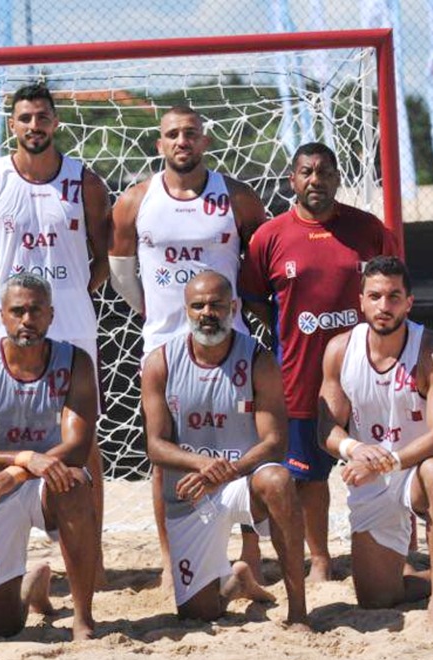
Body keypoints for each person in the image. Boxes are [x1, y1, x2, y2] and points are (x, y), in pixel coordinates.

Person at [108, 105, 269, 586]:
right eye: (173, 134)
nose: (182, 141)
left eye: (191, 133)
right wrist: (155, 315)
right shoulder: (135, 200)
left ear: (206, 141)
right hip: (166, 345)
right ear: (160, 145)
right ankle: (169, 557)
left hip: (231, 343)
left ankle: (252, 558)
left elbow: (259, 265)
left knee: (245, 448)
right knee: (167, 456)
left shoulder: (237, 197)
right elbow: (120, 273)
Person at [0, 83, 111, 576]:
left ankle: (89, 554)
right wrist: (8, 299)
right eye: (25, 118)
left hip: (70, 317)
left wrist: (71, 293)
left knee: (83, 439)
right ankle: (3, 550)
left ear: (56, 122)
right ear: (12, 125)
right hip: (9, 322)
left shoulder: (84, 181)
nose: (34, 126)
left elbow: (104, 255)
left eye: (42, 117)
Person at [239, 142, 399, 582]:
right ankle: (322, 562)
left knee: (382, 464)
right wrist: (293, 326)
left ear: (336, 178)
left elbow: (393, 289)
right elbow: (254, 299)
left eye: (325, 172)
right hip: (301, 373)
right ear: (292, 180)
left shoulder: (367, 229)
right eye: (306, 172)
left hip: (366, 374)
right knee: (307, 479)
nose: (316, 180)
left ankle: (395, 550)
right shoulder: (270, 236)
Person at [319, 256, 433, 633]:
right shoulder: (341, 350)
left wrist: (385, 461)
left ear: (409, 302)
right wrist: (353, 450)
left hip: (417, 466)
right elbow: (327, 429)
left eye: (394, 296)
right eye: (375, 296)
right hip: (373, 474)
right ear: (360, 300)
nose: (384, 306)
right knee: (376, 599)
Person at [141, 271, 307, 625]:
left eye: (216, 304)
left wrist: (227, 471)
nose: (207, 312)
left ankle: (298, 611)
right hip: (191, 490)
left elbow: (276, 442)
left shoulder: (259, 360)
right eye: (198, 305)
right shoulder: (160, 362)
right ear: (186, 311)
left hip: (242, 481)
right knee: (197, 615)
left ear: (233, 307)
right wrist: (203, 465)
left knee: (279, 480)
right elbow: (155, 446)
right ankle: (238, 582)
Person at [0, 273, 99, 640]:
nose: (27, 320)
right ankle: (31, 589)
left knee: (76, 485)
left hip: (43, 482)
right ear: (1, 314)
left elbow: (79, 447)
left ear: (50, 315)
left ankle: (83, 618)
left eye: (35, 311)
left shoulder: (76, 361)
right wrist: (24, 459)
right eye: (17, 311)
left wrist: (19, 471)